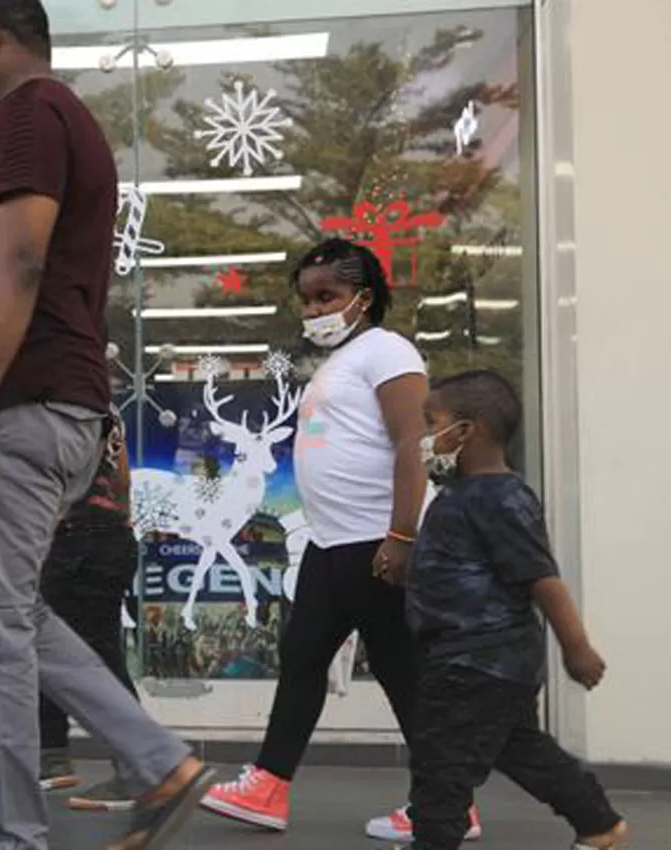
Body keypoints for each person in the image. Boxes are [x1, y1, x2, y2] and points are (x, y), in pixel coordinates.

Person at [0, 2, 211, 847]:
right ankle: (161, 761)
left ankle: (8, 836)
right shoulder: (46, 119)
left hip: (21, 401)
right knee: (9, 613)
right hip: (49, 401)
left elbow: (21, 258)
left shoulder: (30, 113)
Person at [199, 238, 481, 842]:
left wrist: (402, 535)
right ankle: (269, 787)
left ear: (365, 297)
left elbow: (411, 443)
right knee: (302, 659)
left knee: (402, 671)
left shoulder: (388, 350)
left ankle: (448, 803)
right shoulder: (338, 364)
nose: (314, 309)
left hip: (374, 539)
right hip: (331, 544)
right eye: (306, 299)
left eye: (326, 296)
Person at [401, 370, 628, 850]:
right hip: (480, 657)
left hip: (476, 659)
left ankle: (433, 842)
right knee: (519, 747)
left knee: (441, 764)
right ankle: (598, 823)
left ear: (466, 430)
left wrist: (577, 648)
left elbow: (542, 579)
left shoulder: (499, 497)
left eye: (430, 422)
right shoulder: (463, 494)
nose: (424, 436)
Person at [36, 407, 142, 812]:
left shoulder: (52, 404)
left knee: (92, 655)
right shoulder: (105, 408)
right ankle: (51, 753)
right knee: (52, 644)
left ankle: (136, 768)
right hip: (108, 535)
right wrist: (120, 525)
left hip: (72, 539)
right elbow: (122, 479)